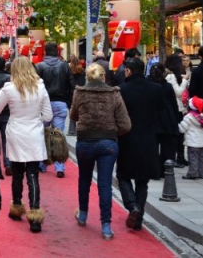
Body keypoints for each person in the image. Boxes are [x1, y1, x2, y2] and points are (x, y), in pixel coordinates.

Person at [70, 63, 131, 240]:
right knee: (105, 184)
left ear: (87, 77)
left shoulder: (79, 92)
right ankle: (106, 225)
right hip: (108, 142)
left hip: (85, 141)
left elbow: (74, 115)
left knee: (85, 179)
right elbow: (125, 124)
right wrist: (111, 132)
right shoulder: (114, 94)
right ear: (104, 77)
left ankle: (83, 214)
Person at [0, 56, 53, 233]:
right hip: (34, 132)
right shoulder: (40, 88)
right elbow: (48, 116)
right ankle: (34, 213)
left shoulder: (9, 89)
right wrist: (36, 120)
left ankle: (17, 206)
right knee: (33, 173)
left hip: (16, 131)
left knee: (17, 170)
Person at [117, 58, 164, 233]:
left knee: (123, 176)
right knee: (142, 181)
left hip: (127, 138)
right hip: (148, 139)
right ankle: (139, 218)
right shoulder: (155, 88)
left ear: (128, 71)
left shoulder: (122, 90)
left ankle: (133, 207)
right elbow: (160, 109)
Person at [35, 42, 75, 178]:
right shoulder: (64, 66)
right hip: (60, 103)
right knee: (58, 134)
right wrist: (68, 102)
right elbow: (71, 85)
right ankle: (60, 167)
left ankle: (42, 164)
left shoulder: (39, 66)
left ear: (45, 52)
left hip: (43, 104)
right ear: (57, 52)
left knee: (43, 134)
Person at [148, 63, 181, 175]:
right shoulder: (167, 86)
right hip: (168, 118)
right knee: (167, 146)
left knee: (152, 145)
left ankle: (154, 169)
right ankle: (165, 169)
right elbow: (174, 104)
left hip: (151, 117)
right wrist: (176, 118)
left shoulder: (148, 85)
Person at [164, 54, 190, 167]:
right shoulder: (171, 76)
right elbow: (178, 92)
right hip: (176, 108)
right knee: (177, 134)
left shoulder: (173, 75)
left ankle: (180, 157)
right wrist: (184, 80)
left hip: (178, 108)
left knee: (180, 134)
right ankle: (176, 158)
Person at [178, 96, 203, 179]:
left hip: (192, 142)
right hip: (201, 142)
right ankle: (201, 173)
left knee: (193, 158)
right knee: (201, 158)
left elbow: (182, 129)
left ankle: (192, 173)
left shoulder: (189, 117)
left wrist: (177, 126)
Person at [68, 54, 86, 135]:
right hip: (81, 92)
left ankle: (72, 129)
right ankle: (80, 129)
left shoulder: (69, 71)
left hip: (72, 92)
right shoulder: (82, 71)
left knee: (72, 110)